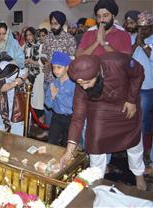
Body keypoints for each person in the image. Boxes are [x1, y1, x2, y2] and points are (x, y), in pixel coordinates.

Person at [59, 52, 146, 190]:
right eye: (80, 83)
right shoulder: (81, 86)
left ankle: (139, 176)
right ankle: (96, 181)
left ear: (98, 74)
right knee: (95, 144)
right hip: (100, 108)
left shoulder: (116, 61)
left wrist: (132, 99)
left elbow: (139, 72)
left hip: (125, 102)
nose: (85, 87)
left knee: (134, 141)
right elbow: (78, 117)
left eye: (87, 82)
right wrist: (69, 151)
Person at [38, 10, 76, 138]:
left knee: (65, 106)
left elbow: (72, 58)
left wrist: (60, 64)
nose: (53, 26)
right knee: (48, 106)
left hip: (66, 81)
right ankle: (50, 131)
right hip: (49, 77)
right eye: (52, 24)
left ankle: (65, 135)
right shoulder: (48, 38)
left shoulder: (69, 39)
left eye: (56, 24)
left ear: (61, 23)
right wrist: (46, 62)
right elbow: (42, 55)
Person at [132, 11, 153, 173]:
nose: (143, 31)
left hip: (147, 87)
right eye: (140, 28)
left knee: (143, 121)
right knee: (131, 118)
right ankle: (131, 147)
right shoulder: (135, 38)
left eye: (146, 29)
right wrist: (136, 42)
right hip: (132, 86)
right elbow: (127, 56)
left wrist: (143, 44)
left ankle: (144, 151)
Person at [45, 51, 74, 146]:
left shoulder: (73, 84)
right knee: (51, 142)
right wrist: (52, 97)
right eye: (53, 67)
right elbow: (48, 105)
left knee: (66, 144)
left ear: (67, 67)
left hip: (70, 118)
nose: (56, 70)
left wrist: (57, 94)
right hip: (56, 117)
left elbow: (71, 105)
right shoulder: (53, 83)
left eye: (59, 67)